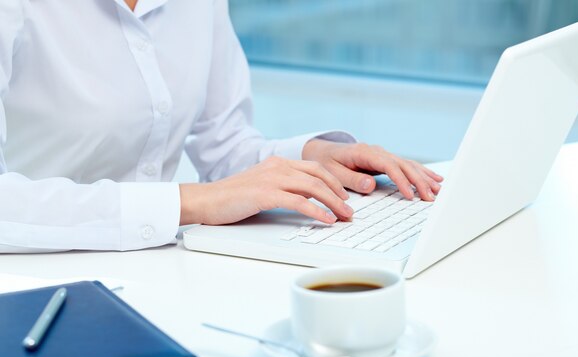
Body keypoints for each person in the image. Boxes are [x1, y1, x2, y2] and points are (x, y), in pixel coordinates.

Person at [0, 0, 442, 253]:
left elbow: (223, 142)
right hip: (36, 280)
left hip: (159, 267)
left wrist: (312, 159)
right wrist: (189, 203)